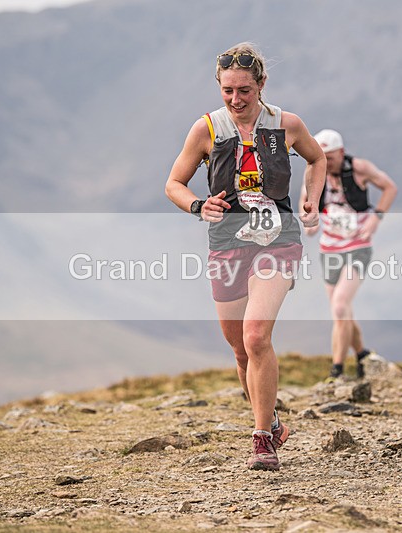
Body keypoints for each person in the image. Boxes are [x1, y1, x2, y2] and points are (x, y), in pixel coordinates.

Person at [165, 42, 325, 471]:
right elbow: (174, 184)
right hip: (227, 243)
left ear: (262, 85)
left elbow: (317, 158)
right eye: (228, 90)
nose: (236, 100)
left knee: (256, 336)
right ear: (219, 87)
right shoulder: (206, 130)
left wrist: (311, 198)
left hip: (279, 239)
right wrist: (199, 205)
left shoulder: (286, 124)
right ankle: (269, 419)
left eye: (245, 91)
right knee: (239, 349)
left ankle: (261, 442)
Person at [300, 129, 397, 380]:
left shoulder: (359, 168)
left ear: (341, 153)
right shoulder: (313, 172)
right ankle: (363, 354)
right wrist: (310, 223)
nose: (326, 162)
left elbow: (389, 187)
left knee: (341, 306)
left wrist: (376, 218)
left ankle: (337, 370)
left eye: (330, 158)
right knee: (341, 310)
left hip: (357, 246)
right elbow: (306, 206)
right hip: (329, 248)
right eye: (321, 157)